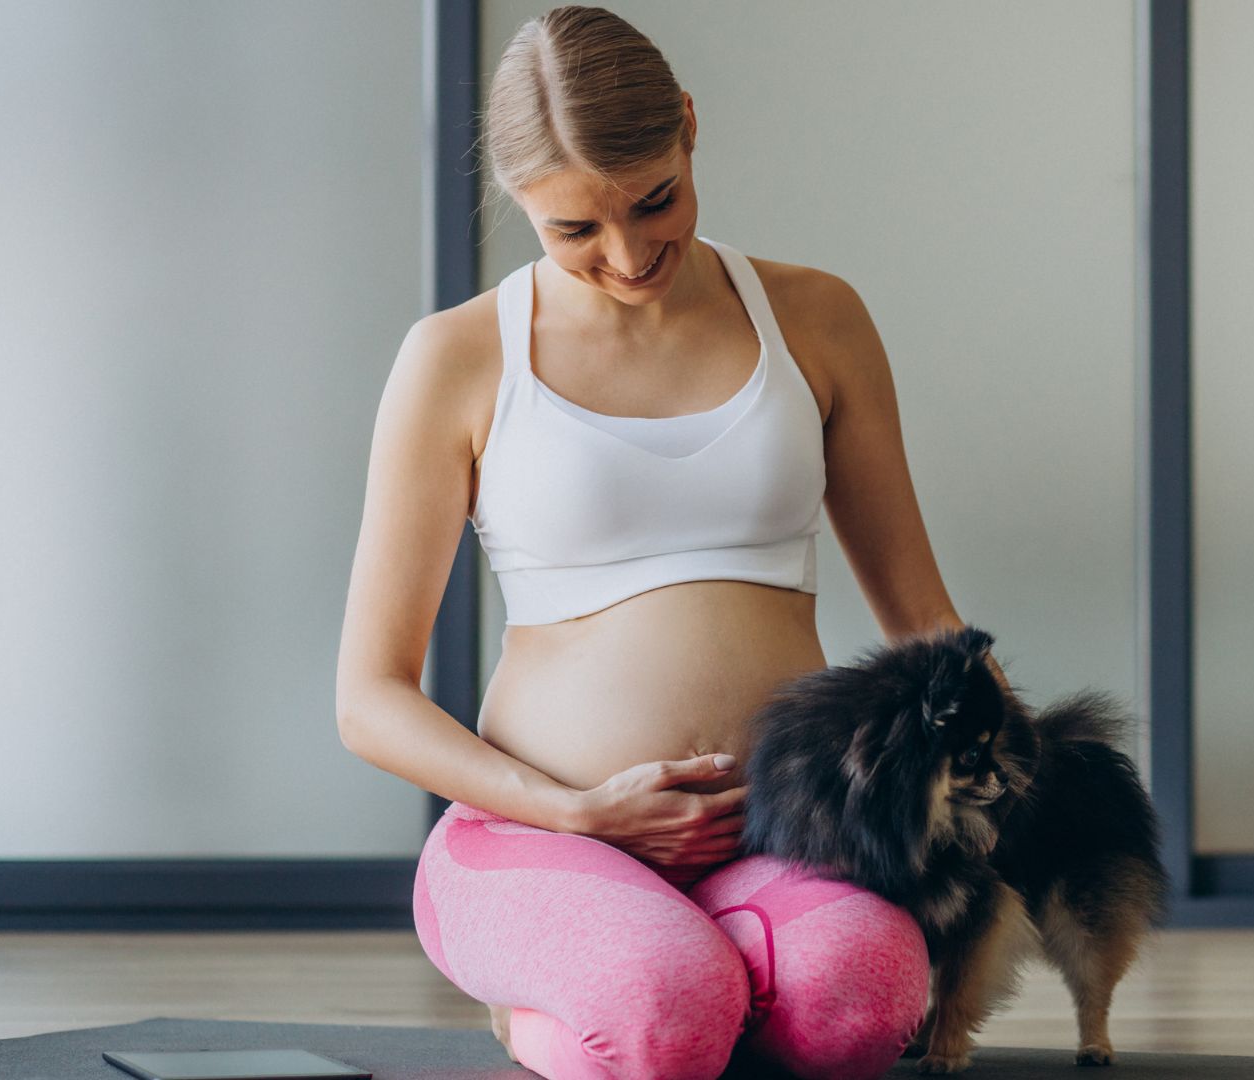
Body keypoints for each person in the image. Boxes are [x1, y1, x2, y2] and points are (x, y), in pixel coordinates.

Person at [334, 7, 1008, 1079]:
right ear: (520, 204)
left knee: (865, 1000)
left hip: (779, 833)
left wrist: (1015, 772)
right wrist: (578, 808)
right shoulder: (455, 359)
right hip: (542, 836)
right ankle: (614, 992)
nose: (631, 254)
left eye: (656, 202)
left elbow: (925, 622)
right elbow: (369, 697)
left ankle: (684, 988)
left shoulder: (816, 319)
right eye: (574, 231)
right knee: (664, 1010)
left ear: (688, 128)